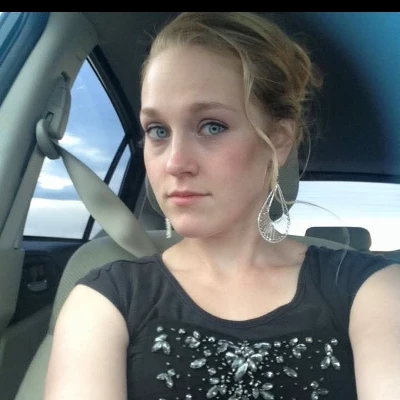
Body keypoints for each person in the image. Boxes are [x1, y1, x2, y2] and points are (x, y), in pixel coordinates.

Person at [44, 12, 400, 400]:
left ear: (279, 141)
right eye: (158, 131)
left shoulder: (371, 290)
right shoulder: (104, 300)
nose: (175, 162)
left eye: (212, 126)